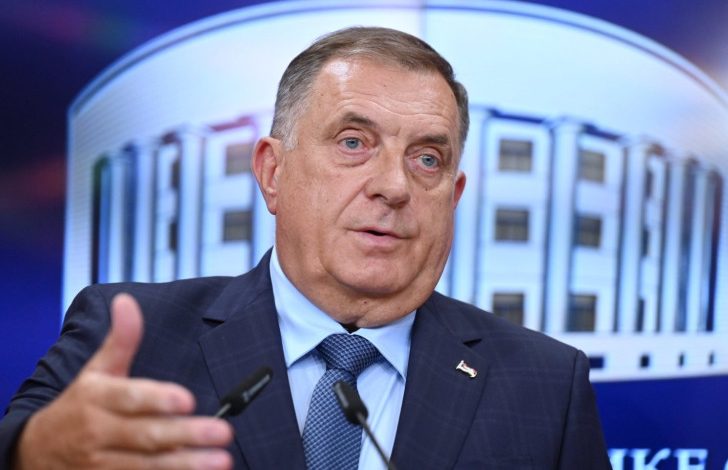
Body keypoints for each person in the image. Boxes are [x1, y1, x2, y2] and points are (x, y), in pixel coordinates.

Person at [0, 27, 611, 469]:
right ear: (273, 173)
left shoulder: (545, 385)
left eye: (427, 158)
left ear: (452, 197)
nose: (395, 186)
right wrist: (36, 452)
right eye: (353, 142)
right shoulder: (135, 337)